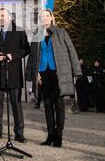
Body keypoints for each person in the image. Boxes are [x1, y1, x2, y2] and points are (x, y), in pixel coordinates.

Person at [26, 9, 81, 147]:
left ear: (51, 17)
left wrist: (76, 71)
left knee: (59, 104)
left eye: (47, 16)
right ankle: (50, 135)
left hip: (58, 72)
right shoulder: (37, 35)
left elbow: (72, 51)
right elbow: (33, 57)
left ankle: (58, 136)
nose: (44, 18)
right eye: (42, 16)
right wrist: (34, 73)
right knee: (48, 105)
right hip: (43, 73)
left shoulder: (61, 32)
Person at [0, 8, 30, 143]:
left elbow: (26, 49)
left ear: (10, 17)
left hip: (13, 73)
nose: (1, 18)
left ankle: (19, 133)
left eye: (3, 15)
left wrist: (14, 55)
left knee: (16, 105)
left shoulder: (19, 31)